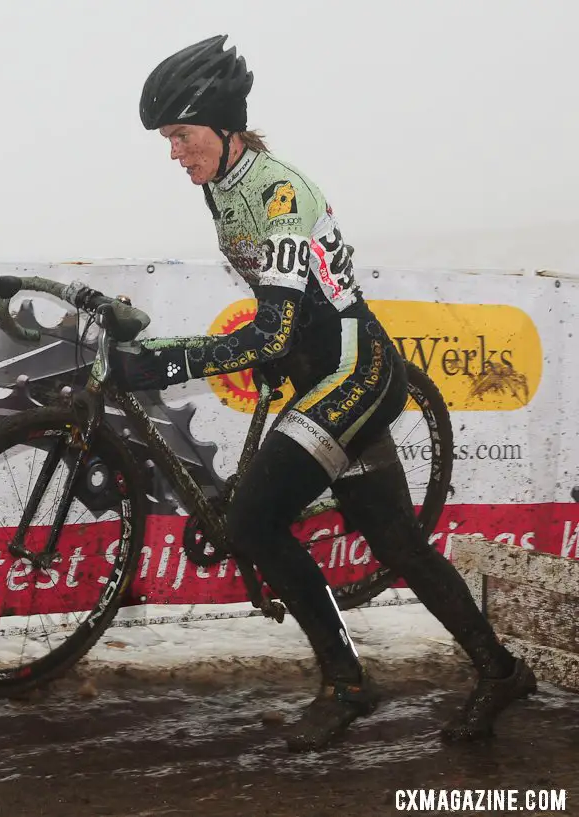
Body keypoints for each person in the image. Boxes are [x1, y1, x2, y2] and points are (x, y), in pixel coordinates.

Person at [109, 34, 537, 752]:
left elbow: (273, 331)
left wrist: (169, 360)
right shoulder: (221, 187)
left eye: (181, 135)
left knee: (252, 520)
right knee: (397, 540)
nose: (175, 153)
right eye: (167, 140)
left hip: (355, 373)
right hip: (322, 373)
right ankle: (500, 670)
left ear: (222, 123)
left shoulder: (280, 191)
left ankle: (346, 683)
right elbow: (284, 308)